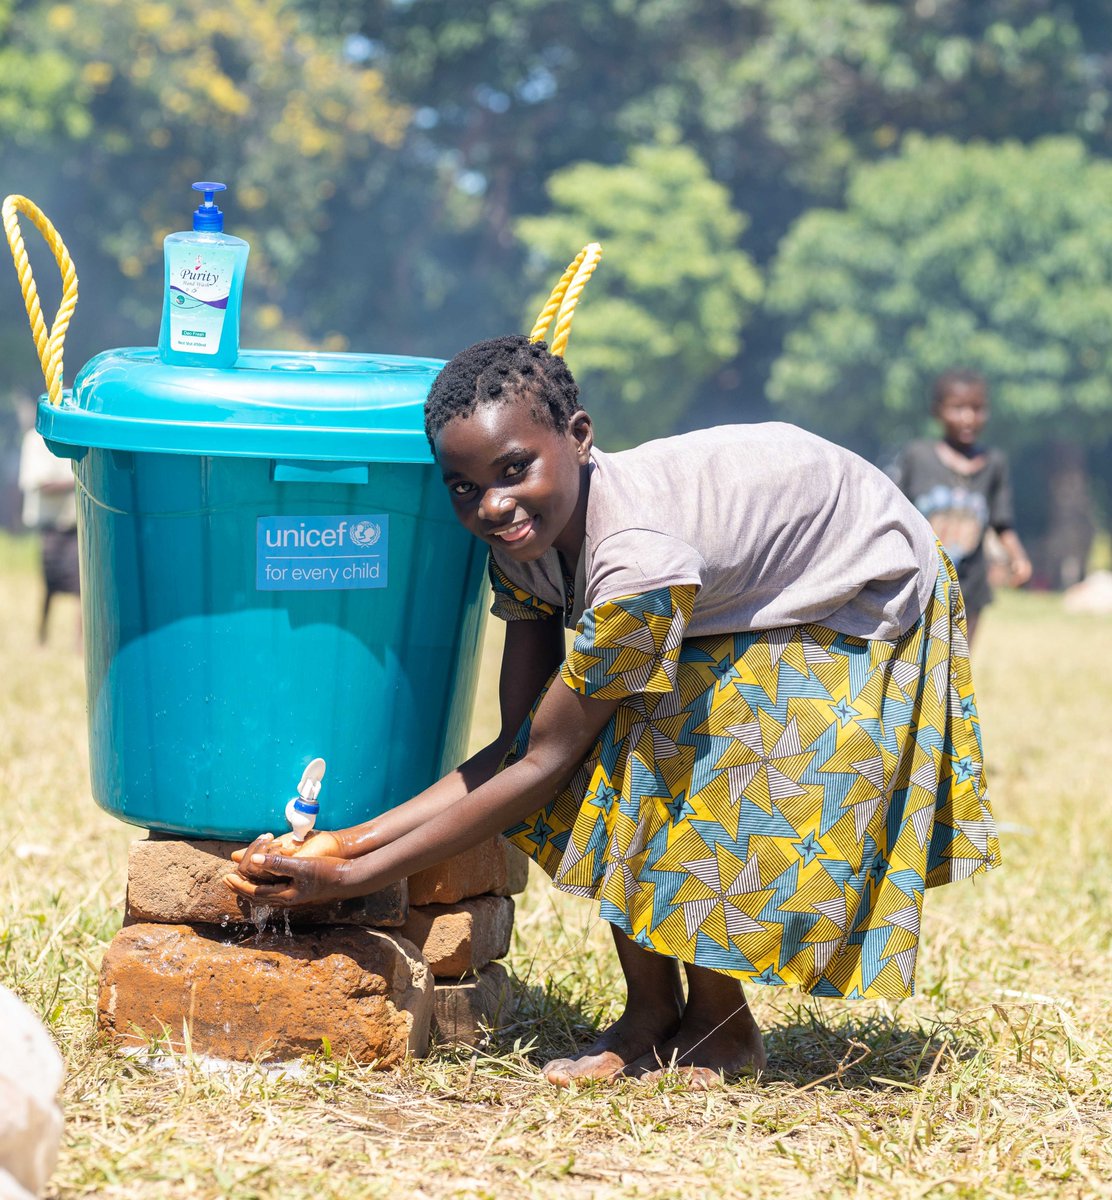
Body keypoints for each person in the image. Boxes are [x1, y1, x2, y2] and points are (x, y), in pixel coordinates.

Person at [226, 337, 1000, 1088]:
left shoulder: (634, 562)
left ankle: (724, 1027)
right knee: (624, 745)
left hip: (863, 577)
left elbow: (544, 765)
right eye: (463, 487)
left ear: (580, 437)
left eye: (514, 469)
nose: (493, 505)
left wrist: (353, 876)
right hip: (744, 580)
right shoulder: (521, 540)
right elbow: (519, 743)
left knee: (694, 747)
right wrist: (338, 845)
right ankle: (653, 1011)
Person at [888, 370, 1031, 644]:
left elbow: (1001, 522)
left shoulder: (993, 464)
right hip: (920, 583)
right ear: (937, 411)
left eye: (977, 409)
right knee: (915, 660)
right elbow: (894, 515)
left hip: (970, 587)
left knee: (958, 665)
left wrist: (1018, 557)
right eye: (957, 408)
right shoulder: (917, 457)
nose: (968, 418)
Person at [18, 426, 80, 645]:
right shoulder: (35, 440)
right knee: (49, 583)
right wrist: (77, 480)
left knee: (80, 585)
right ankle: (42, 636)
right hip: (51, 524)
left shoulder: (74, 434)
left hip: (75, 522)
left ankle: (80, 642)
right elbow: (41, 482)